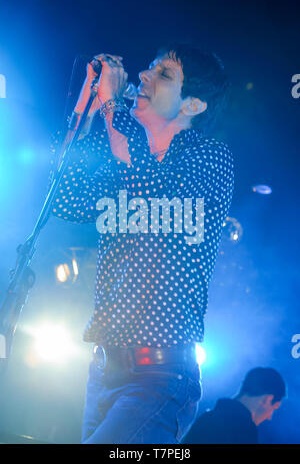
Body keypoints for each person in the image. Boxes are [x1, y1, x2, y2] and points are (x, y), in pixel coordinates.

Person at [50, 43, 234, 444]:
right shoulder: (120, 149)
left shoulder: (209, 159)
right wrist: (82, 111)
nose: (145, 76)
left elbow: (154, 185)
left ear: (193, 105)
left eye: (163, 74)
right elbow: (63, 197)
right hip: (102, 370)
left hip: (161, 377)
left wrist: (112, 107)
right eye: (149, 69)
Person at [183, 367, 286, 444]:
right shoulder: (243, 430)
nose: (269, 417)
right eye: (274, 408)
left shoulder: (206, 417)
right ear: (267, 400)